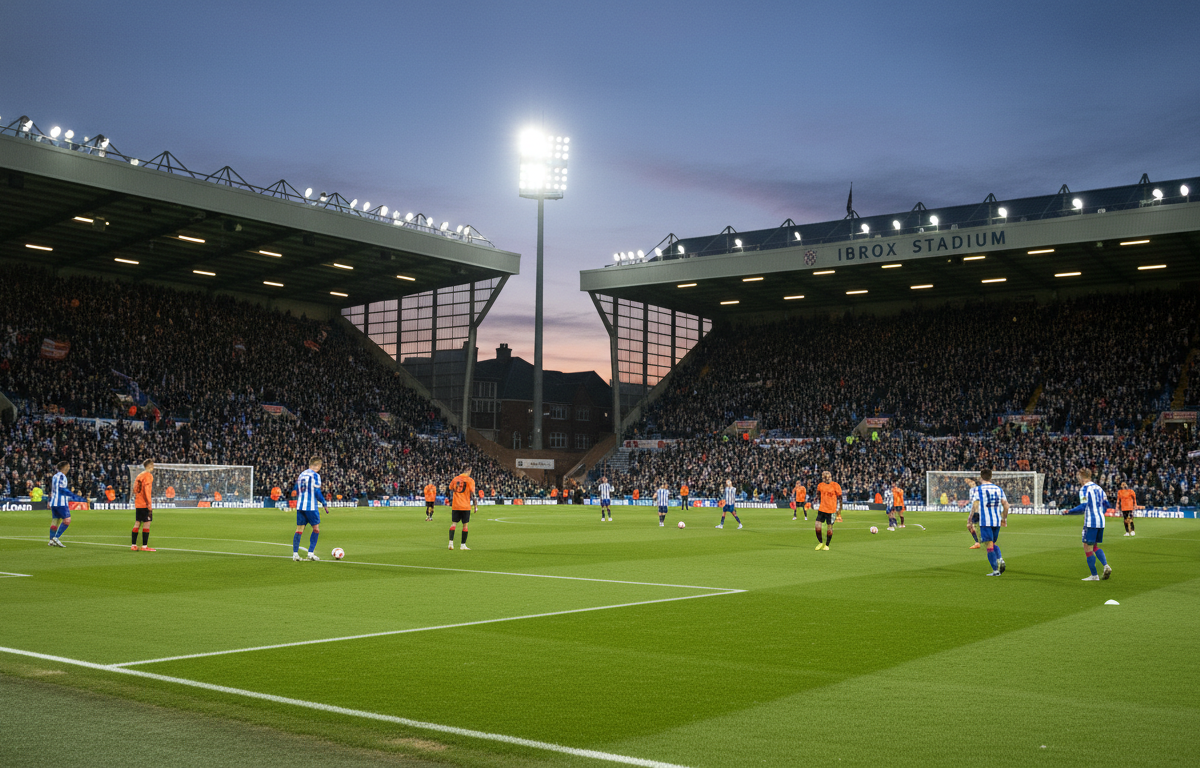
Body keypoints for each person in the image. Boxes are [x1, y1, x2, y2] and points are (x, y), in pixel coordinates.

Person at [1063, 468, 1112, 581]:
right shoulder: (1099, 488)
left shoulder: (1084, 489)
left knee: (1087, 546)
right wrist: (1100, 513)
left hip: (1091, 522)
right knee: (1094, 546)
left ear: (1081, 477)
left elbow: (1083, 505)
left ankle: (1094, 575)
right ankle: (1106, 566)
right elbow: (1107, 504)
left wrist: (1069, 511)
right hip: (1101, 521)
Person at [973, 469, 1009, 576]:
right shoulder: (998, 489)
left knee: (989, 545)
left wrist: (971, 519)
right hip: (996, 520)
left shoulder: (978, 489)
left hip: (985, 521)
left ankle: (996, 570)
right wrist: (1004, 518)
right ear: (991, 477)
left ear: (981, 477)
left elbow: (975, 505)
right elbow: (1006, 505)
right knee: (993, 543)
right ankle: (1000, 559)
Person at [292, 457, 329, 562]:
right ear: (317, 465)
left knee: (299, 530)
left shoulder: (301, 475)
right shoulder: (315, 476)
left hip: (300, 506)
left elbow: (296, 489)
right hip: (311, 506)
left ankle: (295, 554)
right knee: (316, 529)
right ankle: (310, 553)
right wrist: (324, 503)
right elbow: (317, 492)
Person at [47, 460, 86, 548]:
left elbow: (54, 489)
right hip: (61, 502)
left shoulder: (54, 476)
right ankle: (56, 538)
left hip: (54, 502)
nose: (69, 468)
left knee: (55, 521)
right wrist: (72, 495)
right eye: (68, 466)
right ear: (65, 467)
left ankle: (51, 540)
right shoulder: (62, 476)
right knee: (67, 520)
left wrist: (50, 500)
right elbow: (61, 489)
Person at [448, 467, 477, 550]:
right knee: (465, 526)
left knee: (454, 524)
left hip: (456, 505)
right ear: (469, 471)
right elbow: (473, 493)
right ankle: (462, 545)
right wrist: (475, 506)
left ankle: (450, 543)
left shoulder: (455, 479)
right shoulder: (470, 480)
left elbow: (450, 488)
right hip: (465, 506)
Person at [132, 458, 156, 552]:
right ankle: (144, 546)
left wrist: (139, 498)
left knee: (137, 522)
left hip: (138, 503)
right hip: (145, 504)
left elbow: (135, 489)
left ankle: (133, 545)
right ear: (149, 466)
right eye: (152, 465)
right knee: (147, 523)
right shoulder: (148, 476)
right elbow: (146, 490)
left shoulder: (139, 476)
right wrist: (149, 504)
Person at [815, 471, 841, 550]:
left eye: (826, 477)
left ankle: (827, 545)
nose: (824, 478)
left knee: (829, 527)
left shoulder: (835, 485)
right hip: (822, 508)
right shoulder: (820, 485)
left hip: (831, 510)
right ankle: (820, 542)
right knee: (817, 525)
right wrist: (817, 498)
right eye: (823, 477)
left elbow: (840, 497)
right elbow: (818, 493)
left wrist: (839, 509)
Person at [965, 477, 982, 549]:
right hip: (980, 510)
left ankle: (978, 542)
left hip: (978, 510)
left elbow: (976, 502)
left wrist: (971, 514)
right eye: (968, 482)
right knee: (973, 526)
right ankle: (979, 541)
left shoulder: (976, 489)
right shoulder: (973, 490)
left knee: (970, 525)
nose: (969, 483)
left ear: (974, 482)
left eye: (970, 481)